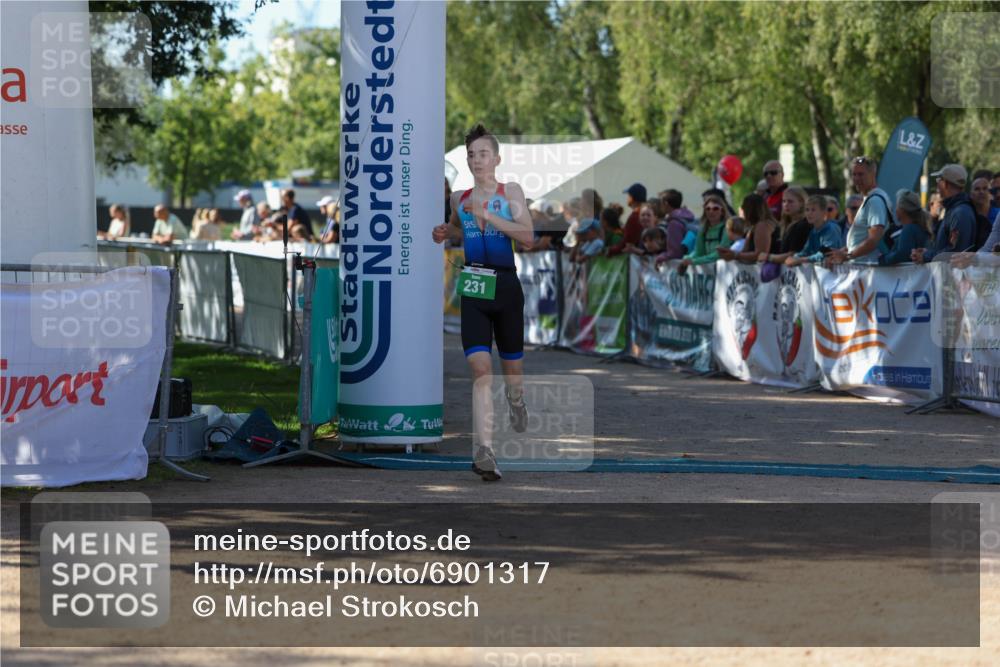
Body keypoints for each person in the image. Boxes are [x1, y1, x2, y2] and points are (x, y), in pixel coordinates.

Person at [431, 124, 534, 482]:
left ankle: (517, 401)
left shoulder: (511, 191)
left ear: (497, 158)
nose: (477, 160)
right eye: (471, 154)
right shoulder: (458, 197)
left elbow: (528, 236)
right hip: (474, 286)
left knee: (512, 373)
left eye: (483, 153)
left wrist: (489, 214)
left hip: (505, 286)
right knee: (480, 370)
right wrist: (446, 233)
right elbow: (457, 229)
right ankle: (484, 452)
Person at [827, 157, 888, 265]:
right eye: (854, 174)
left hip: (870, 271)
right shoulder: (869, 199)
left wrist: (847, 256)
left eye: (861, 174)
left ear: (873, 174)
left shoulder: (875, 201)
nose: (856, 178)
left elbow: (874, 240)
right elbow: (862, 238)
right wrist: (844, 251)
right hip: (862, 269)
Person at [913, 164, 976, 263]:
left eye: (938, 180)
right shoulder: (954, 209)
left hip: (954, 277)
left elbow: (956, 252)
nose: (937, 185)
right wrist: (929, 252)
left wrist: (927, 256)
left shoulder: (960, 212)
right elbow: (947, 246)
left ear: (945, 184)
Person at [783, 195, 844, 266]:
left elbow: (825, 254)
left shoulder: (831, 229)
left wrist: (800, 260)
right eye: (807, 210)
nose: (809, 213)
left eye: (813, 210)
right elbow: (806, 251)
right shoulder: (813, 231)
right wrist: (793, 257)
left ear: (824, 212)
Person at [875, 190, 930, 266]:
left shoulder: (909, 229)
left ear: (902, 210)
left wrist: (883, 259)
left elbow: (902, 254)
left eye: (897, 206)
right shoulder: (919, 228)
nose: (895, 209)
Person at [719, 193, 778, 263]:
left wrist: (735, 255)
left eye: (744, 207)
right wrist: (730, 253)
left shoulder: (762, 226)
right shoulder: (754, 227)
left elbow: (761, 255)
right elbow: (745, 250)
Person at [680, 194, 730, 269]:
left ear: (722, 211)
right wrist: (687, 258)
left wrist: (695, 261)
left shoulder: (727, 229)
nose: (711, 211)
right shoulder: (703, 230)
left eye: (715, 208)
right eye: (708, 209)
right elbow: (699, 252)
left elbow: (719, 255)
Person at [770, 185, 811, 260]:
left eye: (790, 201)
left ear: (802, 203)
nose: (786, 204)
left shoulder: (804, 224)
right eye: (784, 201)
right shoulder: (783, 225)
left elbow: (794, 254)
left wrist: (769, 257)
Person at [608, 182, 645, 256]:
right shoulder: (645, 212)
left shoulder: (635, 216)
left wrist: (610, 251)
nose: (627, 198)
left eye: (628, 195)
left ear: (632, 197)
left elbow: (627, 241)